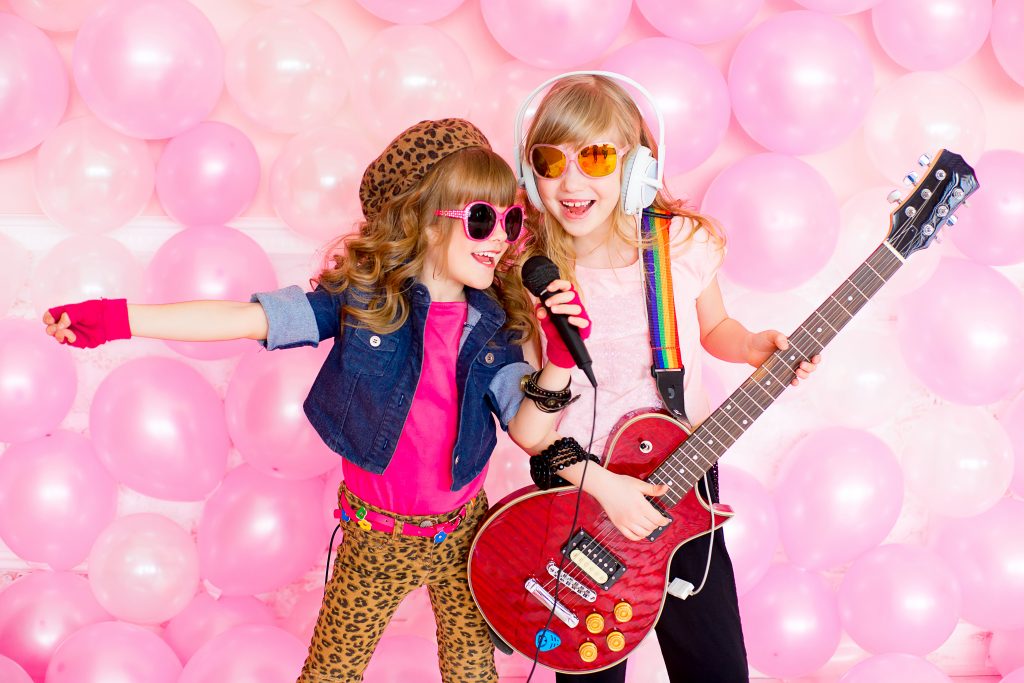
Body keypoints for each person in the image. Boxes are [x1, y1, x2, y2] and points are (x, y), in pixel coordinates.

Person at [41, 118, 590, 683]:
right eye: (480, 220)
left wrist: (558, 361)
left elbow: (528, 430)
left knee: (474, 674)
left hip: (465, 533)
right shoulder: (362, 303)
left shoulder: (495, 326)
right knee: (330, 674)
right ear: (426, 223)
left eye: (511, 221)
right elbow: (245, 319)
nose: (500, 239)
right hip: (378, 539)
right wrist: (118, 318)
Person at [507, 74, 821, 683]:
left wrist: (751, 346)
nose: (571, 182)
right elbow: (533, 418)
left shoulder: (680, 244)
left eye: (596, 157)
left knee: (715, 665)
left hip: (684, 479)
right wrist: (606, 488)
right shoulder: (531, 271)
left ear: (637, 168)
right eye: (549, 162)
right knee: (589, 668)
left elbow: (715, 327)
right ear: (529, 173)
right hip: (583, 494)